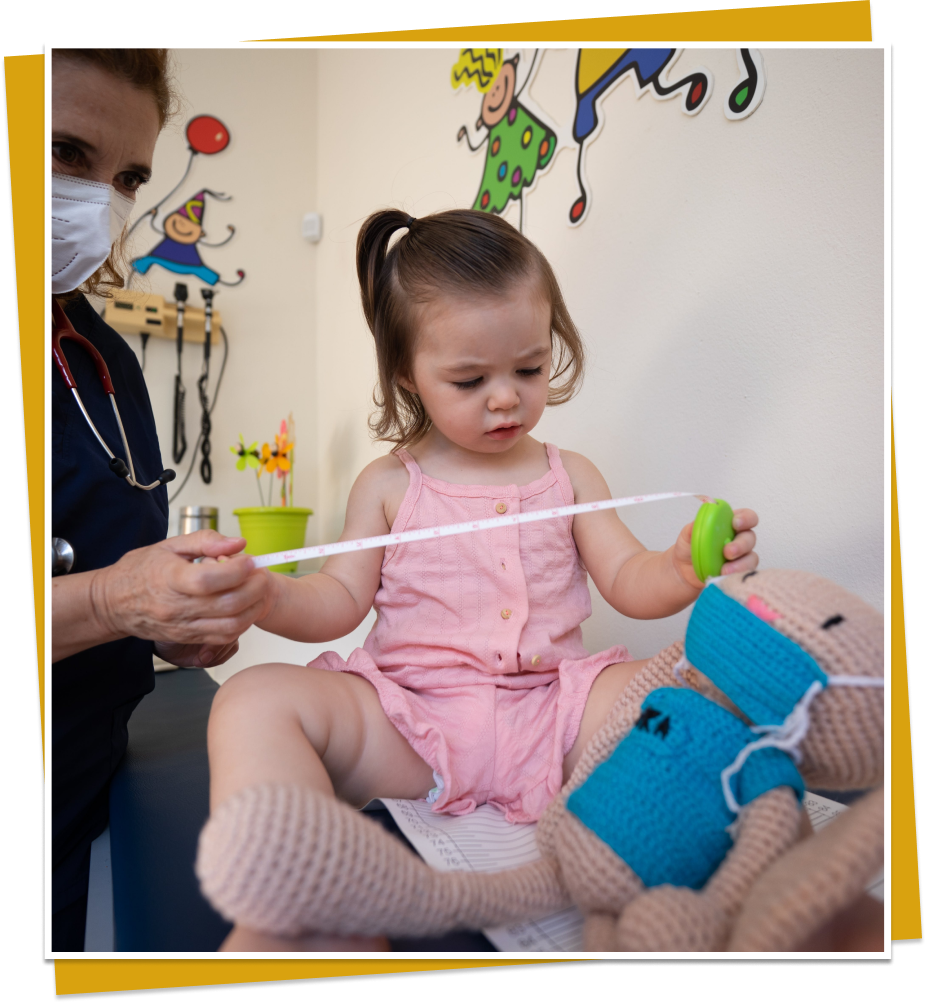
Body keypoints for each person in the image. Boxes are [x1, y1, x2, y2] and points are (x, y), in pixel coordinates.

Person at [198, 208, 759, 951]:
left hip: (556, 715)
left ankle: (706, 868)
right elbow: (337, 600)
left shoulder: (571, 474)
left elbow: (628, 578)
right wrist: (266, 595)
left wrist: (683, 566)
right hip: (411, 720)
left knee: (680, 695)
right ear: (407, 374)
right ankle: (302, 897)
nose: (506, 397)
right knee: (253, 696)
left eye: (529, 368)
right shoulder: (387, 483)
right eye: (469, 378)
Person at [49, 49, 270, 951]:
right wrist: (112, 598)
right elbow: (104, 585)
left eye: (130, 177)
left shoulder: (109, 364)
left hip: (93, 782)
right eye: (66, 153)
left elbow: (122, 560)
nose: (103, 205)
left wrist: (168, 623)